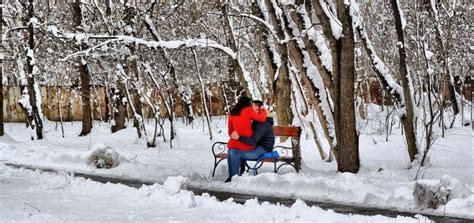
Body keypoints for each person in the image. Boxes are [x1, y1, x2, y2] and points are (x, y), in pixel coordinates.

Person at [226, 96, 267, 182]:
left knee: (231, 151)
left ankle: (231, 176)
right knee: (235, 151)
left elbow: (230, 132)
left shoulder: (232, 113)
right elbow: (262, 119)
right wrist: (262, 110)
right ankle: (235, 177)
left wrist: (235, 136)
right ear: (247, 103)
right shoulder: (248, 110)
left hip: (234, 142)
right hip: (245, 143)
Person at [231, 100, 275, 175]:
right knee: (236, 149)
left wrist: (239, 137)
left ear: (258, 109)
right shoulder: (256, 120)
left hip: (263, 149)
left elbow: (253, 141)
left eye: (251, 107)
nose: (249, 109)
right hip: (257, 147)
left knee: (235, 152)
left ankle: (234, 177)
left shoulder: (262, 123)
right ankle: (241, 172)